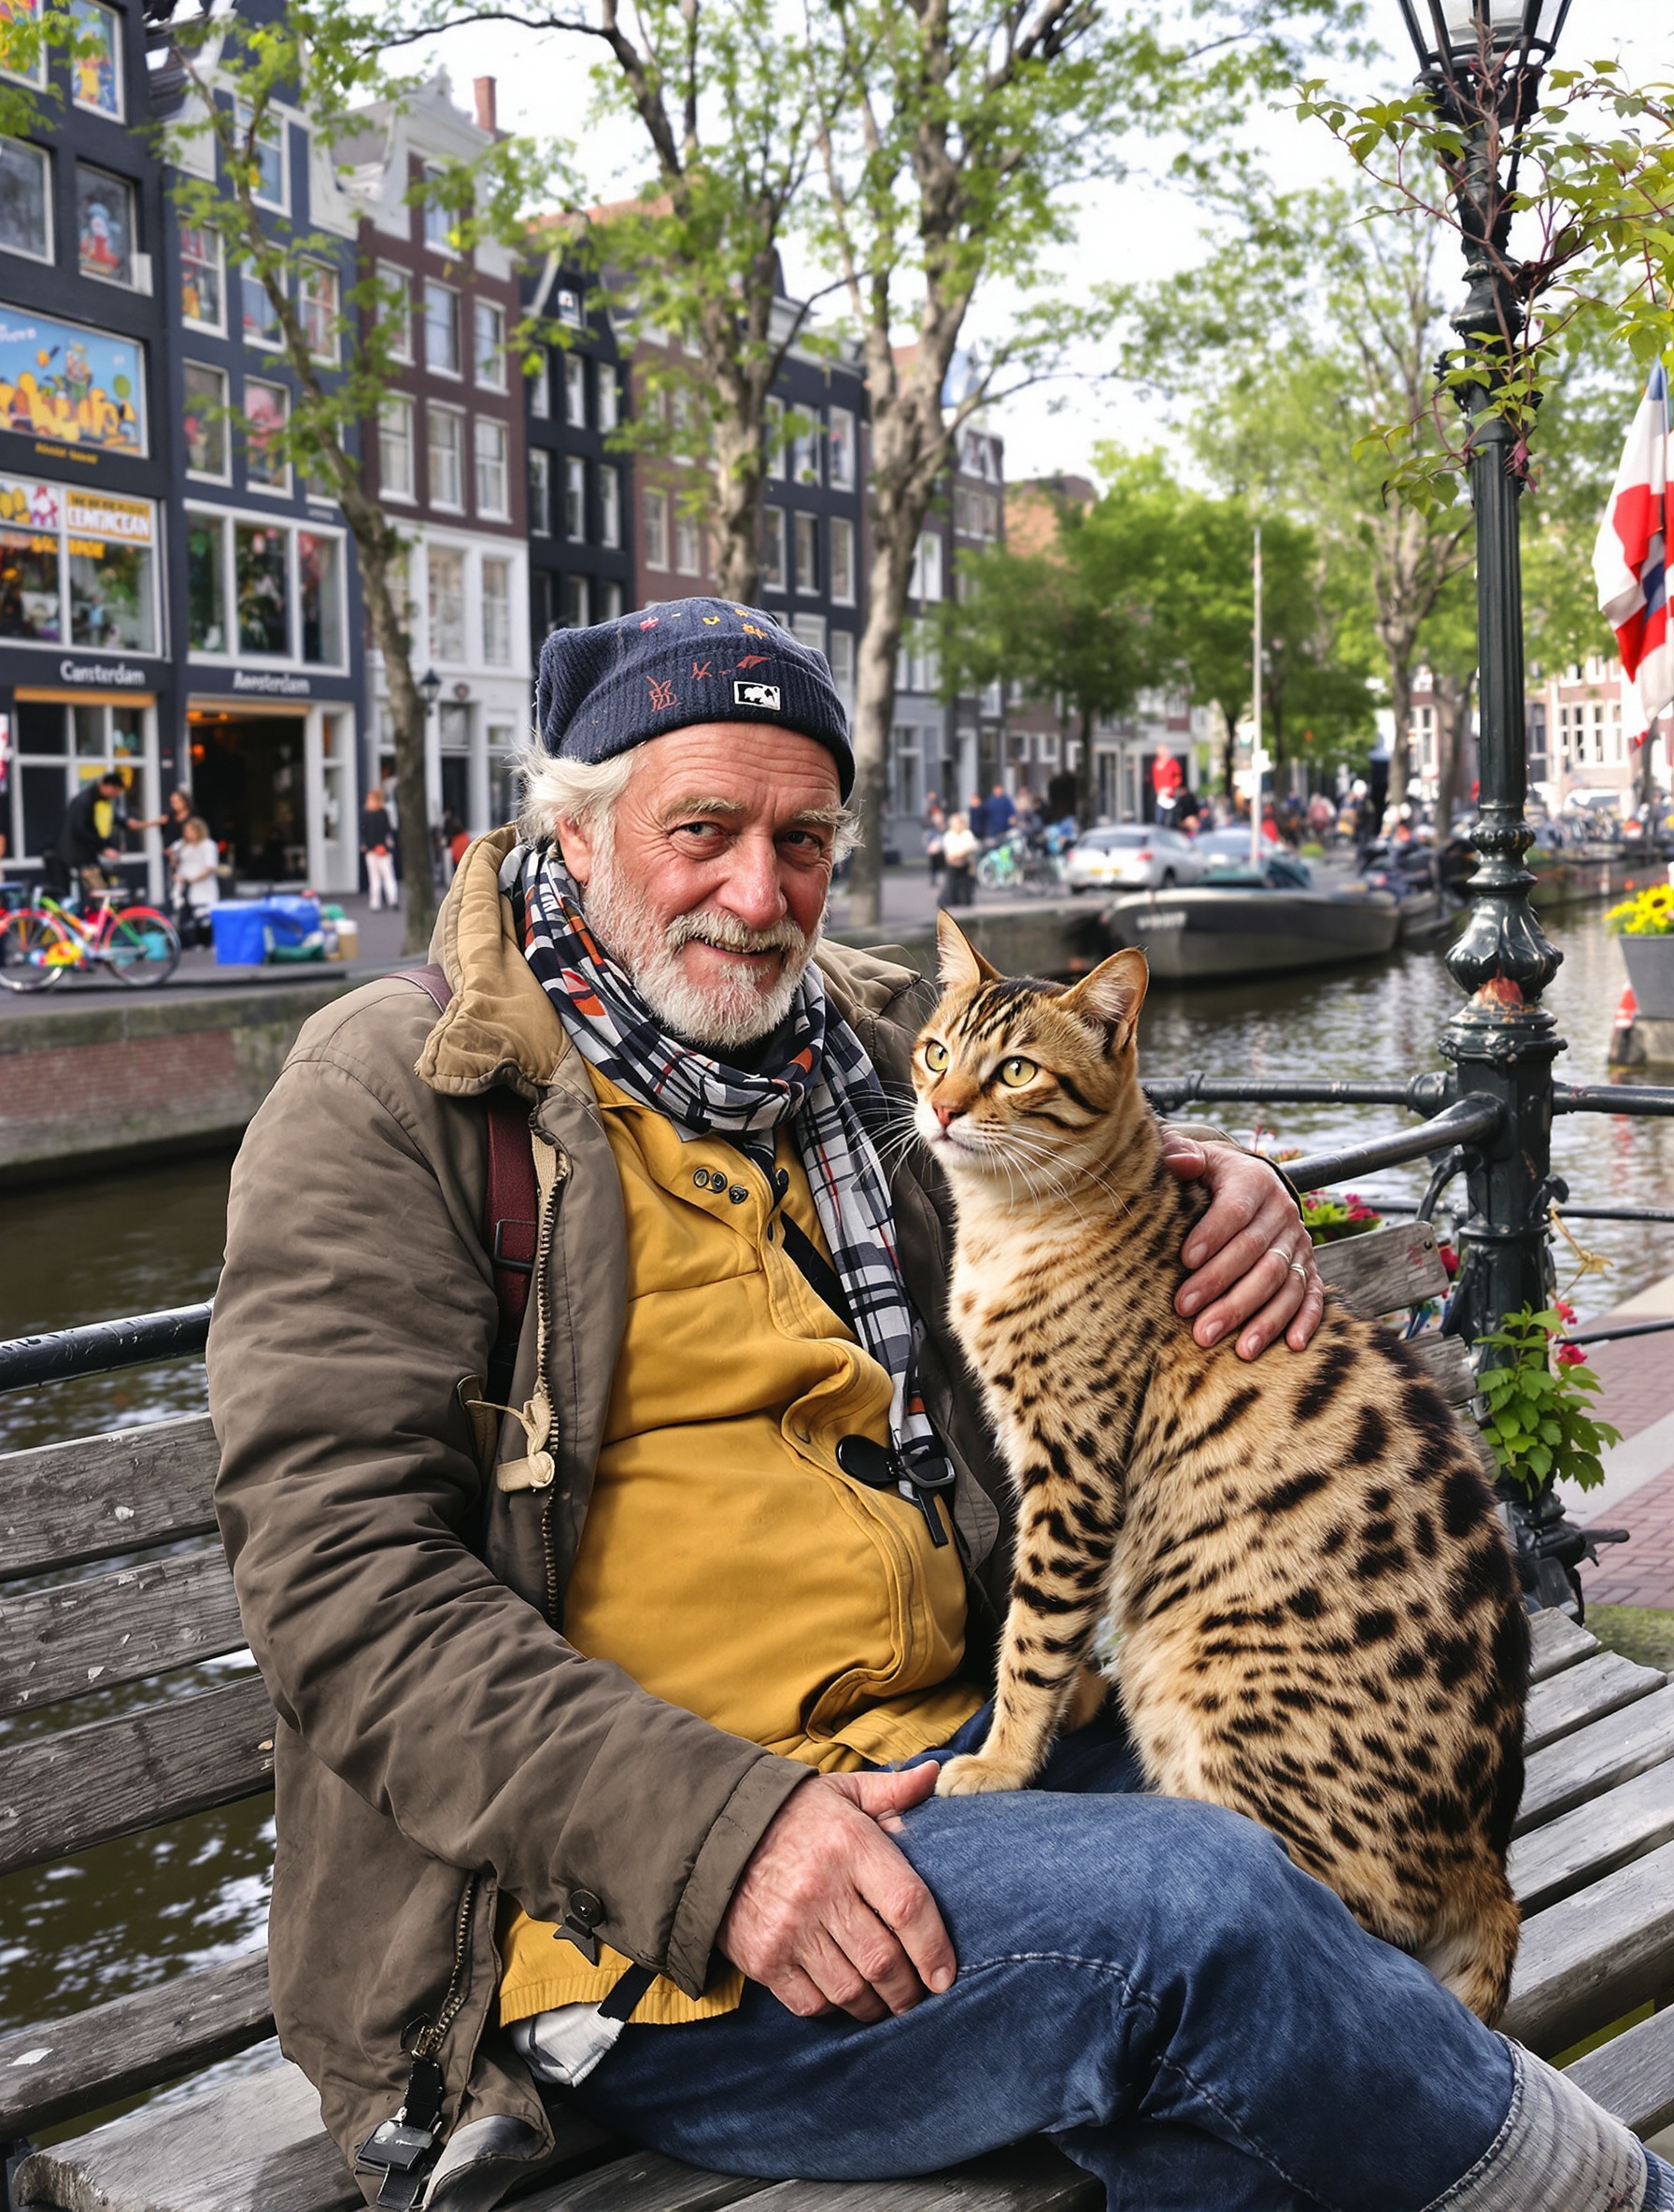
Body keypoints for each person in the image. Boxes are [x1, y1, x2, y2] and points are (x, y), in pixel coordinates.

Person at [207, 595, 1660, 2212]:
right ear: (574, 822)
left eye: (804, 838)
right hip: (618, 1906)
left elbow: (1076, 1118)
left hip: (960, 1754)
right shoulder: (392, 1091)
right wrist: (724, 1833)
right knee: (1207, 1918)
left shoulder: (860, 1043)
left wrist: (1230, 1180)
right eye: (703, 829)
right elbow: (336, 1579)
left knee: (1308, 1900)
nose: (761, 895)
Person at [52, 771, 126, 901]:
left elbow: (100, 827)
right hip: (76, 856)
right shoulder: (86, 801)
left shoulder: (96, 801)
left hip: (81, 854)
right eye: (115, 792)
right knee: (99, 892)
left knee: (98, 890)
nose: (115, 796)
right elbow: (82, 829)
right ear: (106, 786)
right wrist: (103, 847)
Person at [169, 816, 220, 947]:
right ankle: (188, 942)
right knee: (183, 914)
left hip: (202, 886)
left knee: (203, 916)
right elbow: (172, 856)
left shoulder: (208, 845)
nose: (187, 833)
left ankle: (205, 942)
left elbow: (210, 867)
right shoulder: (182, 845)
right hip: (184, 886)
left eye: (190, 830)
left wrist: (193, 879)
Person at [360, 788, 398, 912]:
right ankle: (388, 900)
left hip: (374, 850)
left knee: (379, 877)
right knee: (383, 876)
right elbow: (387, 831)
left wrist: (369, 846)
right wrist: (382, 846)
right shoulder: (382, 813)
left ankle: (379, 902)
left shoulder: (367, 814)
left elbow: (365, 833)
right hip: (381, 849)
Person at [939, 809, 977, 907]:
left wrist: (961, 854)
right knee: (951, 883)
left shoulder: (967, 834)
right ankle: (950, 898)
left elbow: (971, 846)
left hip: (964, 862)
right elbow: (950, 852)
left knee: (966, 883)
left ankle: (964, 899)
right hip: (953, 863)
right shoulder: (949, 835)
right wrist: (959, 854)